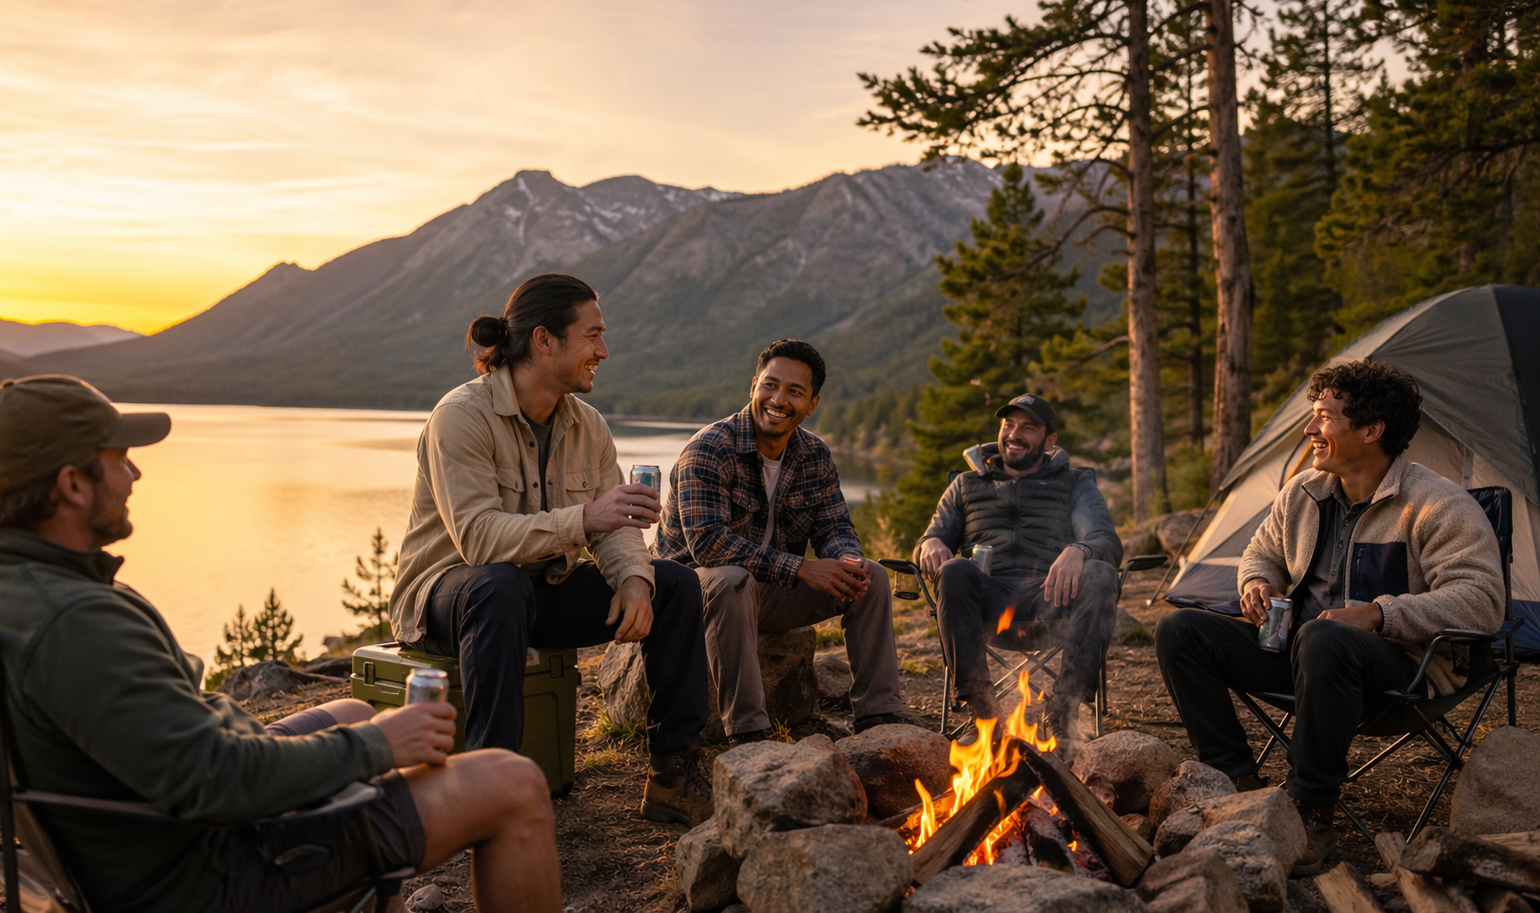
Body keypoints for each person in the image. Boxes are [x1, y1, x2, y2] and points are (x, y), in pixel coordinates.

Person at [0, 375, 561, 913]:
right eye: (118, 457)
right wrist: (377, 746)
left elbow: (174, 749)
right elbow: (214, 779)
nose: (134, 472)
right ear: (71, 485)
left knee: (351, 708)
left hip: (132, 847)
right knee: (510, 780)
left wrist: (356, 737)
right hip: (205, 877)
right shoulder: (72, 621)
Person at [1155, 361, 1504, 875]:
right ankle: (1238, 788)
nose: (1309, 429)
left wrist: (1381, 615)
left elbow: (1483, 601)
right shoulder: (1304, 492)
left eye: (1323, 416)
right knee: (1180, 630)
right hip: (1303, 653)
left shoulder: (1437, 504)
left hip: (1399, 666)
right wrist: (1256, 583)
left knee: (1325, 638)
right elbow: (1260, 554)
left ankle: (1308, 810)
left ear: (1371, 430)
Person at [391, 273, 713, 827]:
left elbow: (614, 529)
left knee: (676, 584)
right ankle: (491, 786)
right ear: (544, 341)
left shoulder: (588, 425)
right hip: (449, 596)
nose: (603, 351)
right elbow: (479, 540)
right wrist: (586, 518)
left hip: (539, 591)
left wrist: (635, 579)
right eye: (592, 336)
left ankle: (672, 774)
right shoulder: (461, 416)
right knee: (499, 584)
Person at [654, 339, 907, 743]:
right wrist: (803, 568)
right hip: (691, 596)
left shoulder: (814, 455)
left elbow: (834, 527)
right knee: (731, 579)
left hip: (765, 593)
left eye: (795, 391)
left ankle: (879, 720)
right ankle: (750, 734)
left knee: (871, 577)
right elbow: (708, 545)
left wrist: (846, 560)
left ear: (812, 403)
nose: (779, 399)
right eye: (771, 385)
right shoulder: (709, 448)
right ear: (753, 385)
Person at [914, 393, 1122, 752]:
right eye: (1008, 424)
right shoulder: (965, 484)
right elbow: (935, 536)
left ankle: (1062, 712)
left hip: (1053, 599)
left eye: (1029, 427)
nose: (1014, 433)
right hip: (988, 604)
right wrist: (929, 542)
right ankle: (984, 717)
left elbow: (1104, 540)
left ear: (1049, 440)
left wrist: (1080, 549)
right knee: (953, 571)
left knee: (1101, 573)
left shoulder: (1075, 484)